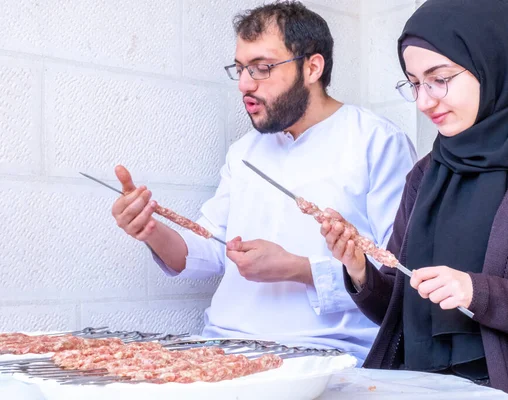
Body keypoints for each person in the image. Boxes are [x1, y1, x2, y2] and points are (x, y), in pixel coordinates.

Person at [320, 0, 508, 397]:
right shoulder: (424, 174)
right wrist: (359, 270)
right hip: (419, 386)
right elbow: (398, 314)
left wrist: (478, 293)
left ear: (492, 62)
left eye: (440, 78)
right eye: (414, 83)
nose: (424, 101)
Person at [111, 0, 416, 363]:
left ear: (312, 67)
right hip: (224, 349)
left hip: (330, 355)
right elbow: (210, 250)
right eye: (240, 69)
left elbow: (394, 274)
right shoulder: (243, 151)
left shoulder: (376, 141)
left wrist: (299, 269)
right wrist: (149, 228)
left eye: (261, 68)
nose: (243, 84)